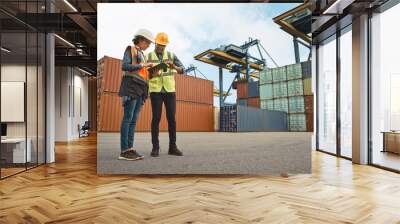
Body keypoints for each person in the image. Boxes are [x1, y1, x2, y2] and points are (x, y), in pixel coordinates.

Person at [118, 29, 154, 161]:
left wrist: (151, 70)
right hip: (131, 86)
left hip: (141, 88)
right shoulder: (130, 49)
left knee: (133, 120)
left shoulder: (143, 55)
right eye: (148, 43)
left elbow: (142, 72)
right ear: (141, 40)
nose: (149, 45)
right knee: (128, 117)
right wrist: (143, 65)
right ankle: (124, 150)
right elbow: (125, 66)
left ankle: (130, 148)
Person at [146, 32, 184, 157]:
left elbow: (182, 69)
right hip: (156, 91)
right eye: (159, 45)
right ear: (156, 43)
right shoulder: (149, 55)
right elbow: (144, 73)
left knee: (172, 119)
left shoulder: (171, 55)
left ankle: (172, 147)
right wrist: (152, 74)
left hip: (169, 91)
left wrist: (175, 67)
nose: (161, 47)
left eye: (163, 45)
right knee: (156, 119)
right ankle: (155, 148)